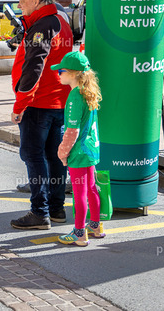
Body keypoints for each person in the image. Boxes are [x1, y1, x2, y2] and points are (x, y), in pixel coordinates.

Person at [10, 0, 73, 230]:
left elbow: (34, 67)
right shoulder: (60, 20)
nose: (19, 6)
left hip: (39, 103)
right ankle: (56, 209)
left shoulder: (44, 25)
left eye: (22, 1)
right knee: (54, 157)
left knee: (33, 155)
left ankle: (39, 213)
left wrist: (20, 104)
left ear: (36, 1)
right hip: (59, 101)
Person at [51, 51, 104, 246]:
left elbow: (72, 131)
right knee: (91, 188)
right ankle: (96, 226)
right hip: (90, 150)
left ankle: (79, 233)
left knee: (79, 193)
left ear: (73, 74)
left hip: (78, 152)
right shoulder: (88, 92)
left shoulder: (74, 97)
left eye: (61, 71)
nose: (58, 74)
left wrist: (62, 152)